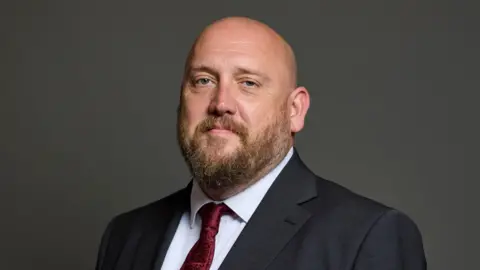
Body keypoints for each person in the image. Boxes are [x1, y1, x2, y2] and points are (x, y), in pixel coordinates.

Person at [95, 16, 427, 270]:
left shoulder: (366, 236)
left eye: (248, 83)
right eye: (204, 80)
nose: (221, 102)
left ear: (294, 110)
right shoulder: (126, 236)